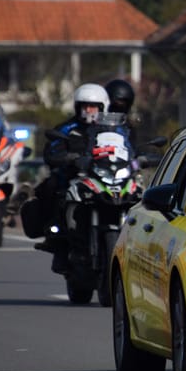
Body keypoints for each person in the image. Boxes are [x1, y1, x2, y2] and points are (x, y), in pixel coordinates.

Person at [30, 83, 110, 272]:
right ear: (77, 107)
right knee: (51, 187)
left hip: (104, 179)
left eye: (93, 107)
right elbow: (52, 149)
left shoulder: (111, 129)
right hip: (74, 179)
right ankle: (56, 241)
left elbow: (126, 148)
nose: (89, 111)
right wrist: (66, 158)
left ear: (103, 107)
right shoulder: (67, 128)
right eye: (85, 106)